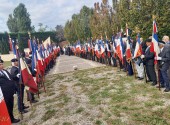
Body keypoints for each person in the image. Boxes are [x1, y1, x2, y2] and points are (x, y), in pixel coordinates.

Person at [0, 59, 20, 123]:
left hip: (11, 92)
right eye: (0, 64)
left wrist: (16, 76)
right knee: (6, 107)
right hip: (4, 94)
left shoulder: (5, 71)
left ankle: (11, 118)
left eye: (2, 64)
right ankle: (9, 119)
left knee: (11, 106)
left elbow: (10, 78)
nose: (1, 65)